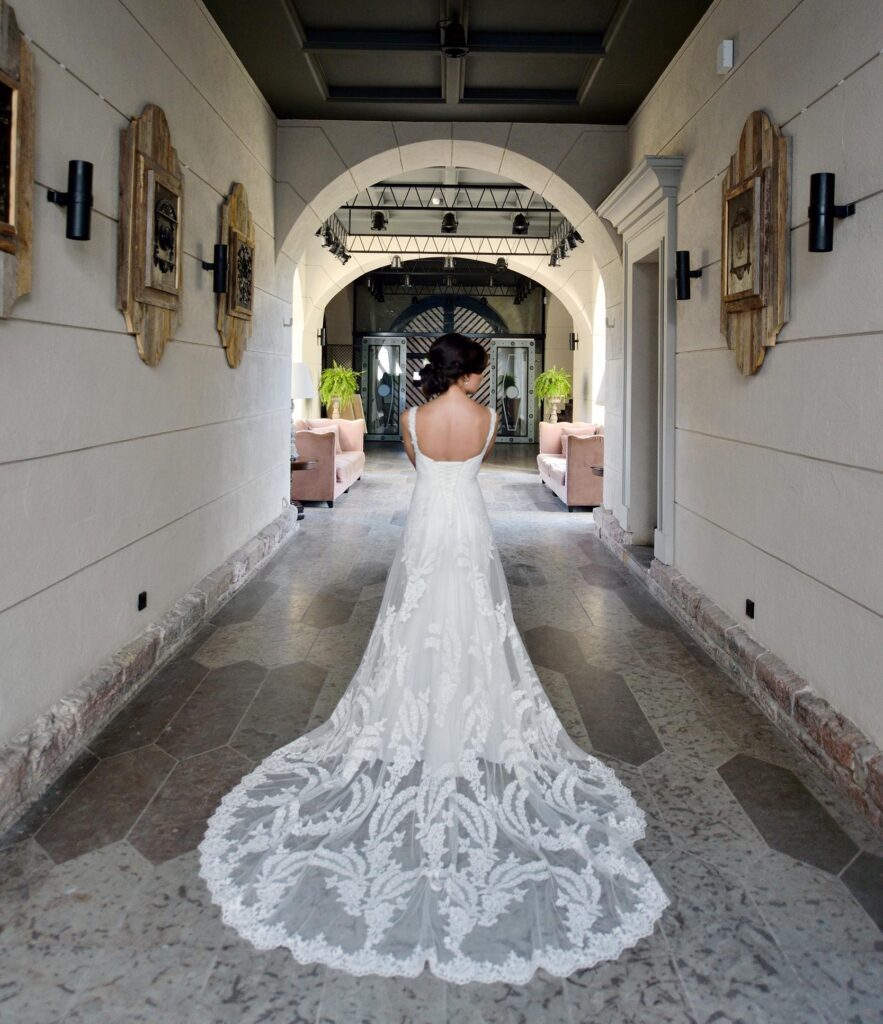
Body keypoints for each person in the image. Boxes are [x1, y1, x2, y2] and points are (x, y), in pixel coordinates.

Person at [198, 333, 669, 985]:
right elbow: (471, 468)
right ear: (469, 373)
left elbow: (424, 471)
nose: (479, 377)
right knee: (479, 621)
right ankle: (476, 715)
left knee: (411, 622)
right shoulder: (489, 418)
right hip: (468, 525)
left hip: (426, 524)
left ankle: (408, 715)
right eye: (477, 369)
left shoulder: (412, 418)